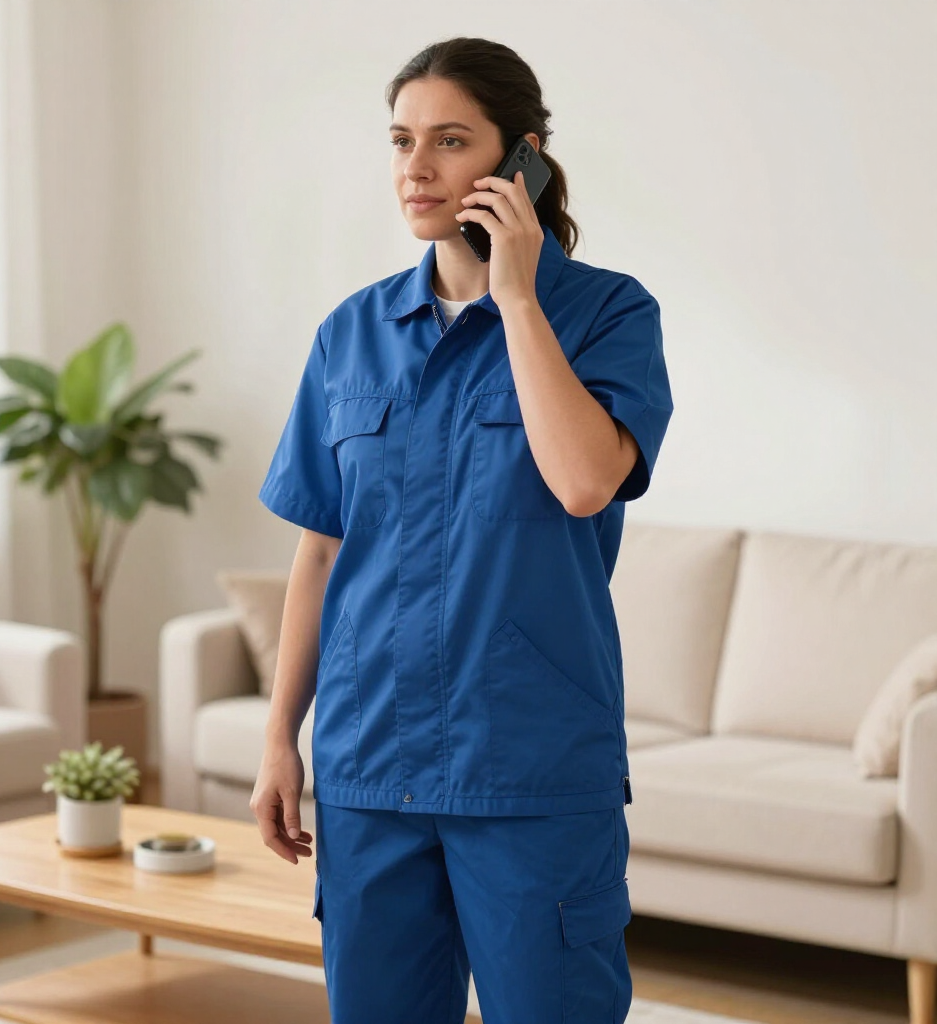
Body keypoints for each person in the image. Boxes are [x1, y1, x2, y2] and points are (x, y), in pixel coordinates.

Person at [250, 35, 673, 1024]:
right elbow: (319, 547)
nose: (416, 167)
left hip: (528, 769)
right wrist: (280, 735)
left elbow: (581, 482)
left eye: (449, 140)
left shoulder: (607, 313)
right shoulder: (348, 334)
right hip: (369, 765)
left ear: (517, 157)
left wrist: (515, 295)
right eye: (401, 140)